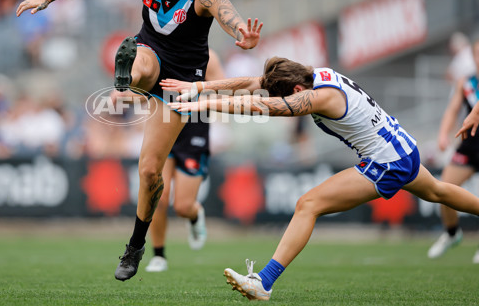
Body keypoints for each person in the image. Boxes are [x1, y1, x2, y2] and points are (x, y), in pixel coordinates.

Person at [16, 0, 263, 282]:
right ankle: (127, 74)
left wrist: (244, 35)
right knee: (142, 58)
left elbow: (230, 17)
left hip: (182, 85)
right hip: (150, 56)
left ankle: (137, 243)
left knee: (149, 172)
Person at [163, 57, 479, 301]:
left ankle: (264, 282)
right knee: (438, 190)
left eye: (286, 97)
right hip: (402, 147)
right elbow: (254, 83)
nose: (284, 101)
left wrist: (205, 104)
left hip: (387, 161)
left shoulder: (320, 97)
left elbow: (263, 104)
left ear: (297, 91)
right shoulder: (317, 75)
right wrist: (200, 87)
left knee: (307, 204)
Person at [144, 49, 225, 273]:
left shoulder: (208, 57)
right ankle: (159, 255)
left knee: (182, 206)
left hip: (194, 132)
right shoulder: (158, 49)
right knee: (157, 196)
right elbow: (145, 88)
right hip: (164, 127)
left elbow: (224, 92)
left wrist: (195, 91)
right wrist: (125, 94)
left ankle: (194, 213)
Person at [427, 39, 479, 263]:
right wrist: (443, 134)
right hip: (470, 145)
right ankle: (451, 233)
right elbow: (452, 110)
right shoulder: (466, 82)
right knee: (444, 188)